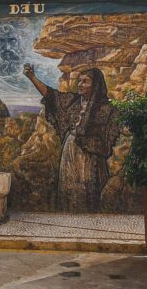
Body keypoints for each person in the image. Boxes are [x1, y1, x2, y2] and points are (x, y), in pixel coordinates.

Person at [23, 64, 119, 212]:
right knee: (69, 188)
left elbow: (111, 132)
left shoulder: (107, 109)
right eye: (79, 81)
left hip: (91, 157)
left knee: (88, 191)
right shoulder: (73, 101)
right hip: (71, 151)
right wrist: (32, 77)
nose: (80, 85)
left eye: (85, 81)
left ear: (95, 85)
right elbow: (50, 95)